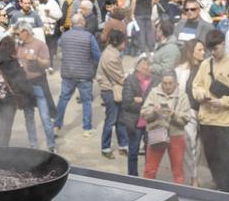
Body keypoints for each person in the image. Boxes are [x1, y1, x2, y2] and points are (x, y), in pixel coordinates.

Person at [191, 30, 229, 193]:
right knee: (211, 161)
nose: (213, 53)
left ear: (223, 44)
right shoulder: (205, 64)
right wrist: (200, 95)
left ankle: (228, 194)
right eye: (210, 50)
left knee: (226, 163)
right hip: (206, 120)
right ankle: (219, 190)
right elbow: (196, 86)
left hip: (225, 122)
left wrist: (222, 102)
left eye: (216, 49)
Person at [53, 13, 102, 138]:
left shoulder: (64, 36)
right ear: (83, 22)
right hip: (85, 75)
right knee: (86, 101)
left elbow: (59, 51)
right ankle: (87, 128)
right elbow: (97, 56)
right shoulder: (89, 36)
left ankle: (56, 126)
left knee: (63, 99)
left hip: (68, 73)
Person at [141, 70, 193, 183]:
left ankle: (179, 196)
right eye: (165, 83)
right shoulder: (154, 92)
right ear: (161, 82)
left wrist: (173, 114)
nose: (168, 86)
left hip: (176, 135)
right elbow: (144, 113)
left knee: (178, 172)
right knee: (149, 170)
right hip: (157, 133)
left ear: (175, 83)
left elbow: (186, 119)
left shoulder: (182, 95)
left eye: (170, 83)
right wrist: (154, 112)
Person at [0, 35, 36, 147]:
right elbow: (21, 81)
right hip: (9, 98)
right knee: (7, 124)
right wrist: (31, 95)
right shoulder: (13, 63)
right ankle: (4, 147)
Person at [17, 23, 57, 152]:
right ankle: (33, 145)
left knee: (45, 117)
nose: (17, 35)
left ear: (26, 32)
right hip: (25, 86)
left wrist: (36, 59)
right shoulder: (19, 46)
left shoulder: (40, 45)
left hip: (38, 84)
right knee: (28, 117)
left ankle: (51, 145)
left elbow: (47, 64)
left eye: (19, 33)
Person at [119, 55, 157, 176]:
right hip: (135, 123)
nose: (148, 67)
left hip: (151, 123)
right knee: (133, 151)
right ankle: (132, 176)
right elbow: (127, 103)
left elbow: (159, 100)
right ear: (138, 67)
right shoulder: (130, 80)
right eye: (145, 64)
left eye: (149, 64)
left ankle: (148, 177)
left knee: (150, 153)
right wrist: (147, 106)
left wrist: (142, 100)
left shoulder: (156, 80)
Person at [95, 30, 130, 159]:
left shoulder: (113, 53)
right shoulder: (110, 56)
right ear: (119, 42)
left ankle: (123, 145)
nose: (125, 44)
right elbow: (120, 77)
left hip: (113, 89)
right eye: (124, 41)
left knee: (120, 119)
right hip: (110, 91)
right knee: (111, 120)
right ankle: (105, 147)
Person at [179, 39, 205, 186]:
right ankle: (193, 178)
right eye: (199, 50)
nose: (203, 53)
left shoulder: (207, 67)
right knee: (190, 147)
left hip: (207, 112)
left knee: (208, 147)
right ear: (191, 52)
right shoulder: (183, 70)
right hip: (189, 110)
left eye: (203, 50)